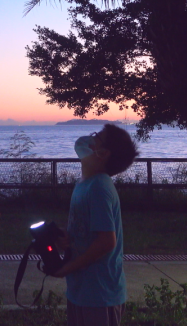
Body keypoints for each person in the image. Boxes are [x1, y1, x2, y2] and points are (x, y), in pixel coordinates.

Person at [52, 124, 139, 326]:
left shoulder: (99, 187)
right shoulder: (85, 184)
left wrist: (67, 268)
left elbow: (106, 242)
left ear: (103, 153)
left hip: (99, 293)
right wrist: (67, 238)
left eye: (96, 136)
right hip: (81, 289)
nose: (88, 139)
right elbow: (87, 231)